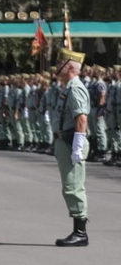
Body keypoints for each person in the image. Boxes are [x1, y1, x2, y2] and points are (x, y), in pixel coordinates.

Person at [52, 49, 91, 247]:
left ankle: (80, 233)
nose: (57, 67)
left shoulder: (75, 88)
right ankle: (78, 230)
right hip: (65, 142)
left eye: (60, 63)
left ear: (69, 67)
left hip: (70, 142)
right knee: (70, 187)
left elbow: (81, 118)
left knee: (73, 186)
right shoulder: (68, 87)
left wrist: (77, 146)